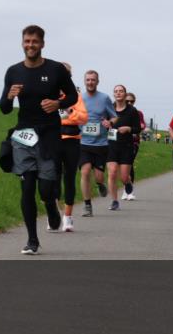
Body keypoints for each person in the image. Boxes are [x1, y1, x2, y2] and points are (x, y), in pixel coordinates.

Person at [0, 25, 77, 255]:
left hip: (49, 135)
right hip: (23, 135)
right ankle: (32, 240)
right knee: (27, 187)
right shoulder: (13, 71)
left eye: (34, 41)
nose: (30, 45)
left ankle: (51, 206)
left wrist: (58, 103)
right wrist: (9, 97)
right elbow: (4, 109)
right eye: (26, 41)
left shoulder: (55, 70)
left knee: (45, 188)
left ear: (42, 44)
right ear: (22, 43)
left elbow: (72, 96)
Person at [77, 70, 117, 218]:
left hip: (101, 144)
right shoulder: (79, 98)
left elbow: (114, 117)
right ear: (84, 81)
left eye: (93, 80)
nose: (90, 82)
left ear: (97, 81)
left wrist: (110, 122)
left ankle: (100, 184)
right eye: (87, 80)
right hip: (84, 142)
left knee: (99, 177)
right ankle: (87, 205)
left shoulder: (104, 98)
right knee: (85, 172)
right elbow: (74, 116)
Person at [54, 63, 87, 231]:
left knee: (69, 178)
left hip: (71, 140)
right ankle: (54, 215)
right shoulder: (47, 93)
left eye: (66, 74)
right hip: (52, 140)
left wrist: (69, 111)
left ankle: (68, 217)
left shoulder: (76, 96)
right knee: (52, 179)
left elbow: (83, 118)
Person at [104, 85, 141, 210]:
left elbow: (138, 128)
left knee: (124, 176)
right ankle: (114, 201)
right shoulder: (109, 109)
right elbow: (103, 123)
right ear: (113, 94)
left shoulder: (132, 111)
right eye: (116, 91)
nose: (118, 93)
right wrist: (105, 124)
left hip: (126, 146)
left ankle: (128, 183)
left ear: (125, 94)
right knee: (112, 172)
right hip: (111, 145)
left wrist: (128, 128)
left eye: (121, 91)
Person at [123, 92, 146, 200]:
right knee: (120, 167)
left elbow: (142, 124)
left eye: (131, 101)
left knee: (129, 164)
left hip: (133, 142)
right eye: (127, 101)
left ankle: (129, 191)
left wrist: (139, 127)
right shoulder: (118, 111)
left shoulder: (138, 113)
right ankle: (126, 187)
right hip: (119, 143)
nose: (129, 103)